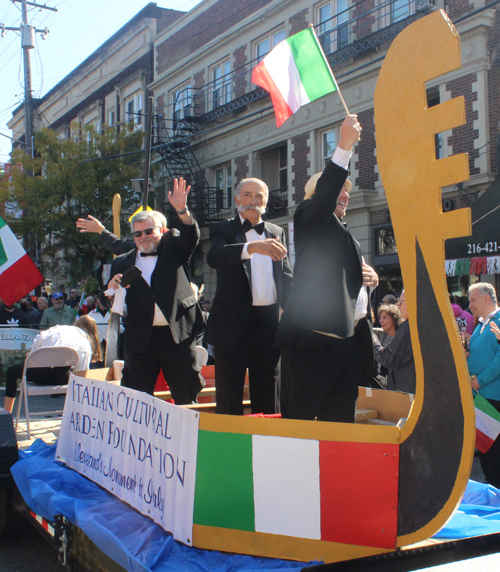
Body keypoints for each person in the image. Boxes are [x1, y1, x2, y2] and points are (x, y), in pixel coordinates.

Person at [277, 114, 378, 423]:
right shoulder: (309, 215)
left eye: (348, 190)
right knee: (302, 424)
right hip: (311, 343)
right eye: (338, 189)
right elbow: (323, 198)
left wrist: (369, 283)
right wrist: (344, 145)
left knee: (340, 427)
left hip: (346, 345)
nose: (344, 194)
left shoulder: (344, 234)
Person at [107, 178, 203, 401]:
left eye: (149, 231)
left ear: (163, 230)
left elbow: (191, 235)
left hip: (177, 336)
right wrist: (111, 290)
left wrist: (182, 209)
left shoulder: (174, 248)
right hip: (140, 340)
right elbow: (107, 304)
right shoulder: (122, 262)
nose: (143, 237)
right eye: (137, 234)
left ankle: (188, 436)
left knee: (186, 397)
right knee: (137, 401)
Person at [205, 176, 292, 415]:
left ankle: (268, 444)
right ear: (236, 200)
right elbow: (215, 257)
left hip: (269, 324)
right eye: (247, 195)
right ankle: (229, 446)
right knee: (229, 394)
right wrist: (252, 248)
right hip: (232, 324)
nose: (253, 201)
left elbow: (286, 273)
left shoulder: (276, 231)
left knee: (268, 390)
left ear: (265, 202)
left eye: (259, 196)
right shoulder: (222, 229)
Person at [3, 315, 102, 413]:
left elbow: (38, 341)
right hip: (64, 379)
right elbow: (82, 373)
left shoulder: (57, 329)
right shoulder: (85, 343)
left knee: (11, 371)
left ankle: (7, 412)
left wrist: (31, 356)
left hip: (41, 374)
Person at [467, 282, 500, 488]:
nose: (469, 304)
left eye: (473, 299)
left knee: (494, 451)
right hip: (481, 397)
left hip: (493, 397)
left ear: (486, 298)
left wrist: (480, 380)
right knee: (486, 450)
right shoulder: (481, 324)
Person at [373, 291, 416, 393]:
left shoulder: (408, 327)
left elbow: (388, 358)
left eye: (400, 302)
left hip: (405, 393)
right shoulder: (411, 326)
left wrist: (373, 341)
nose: (398, 306)